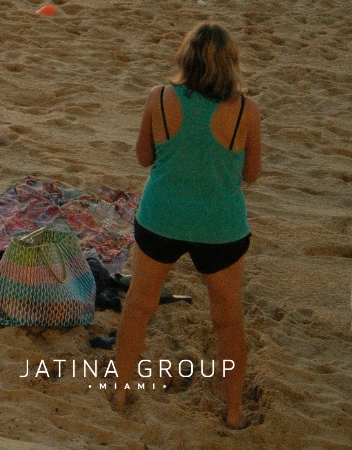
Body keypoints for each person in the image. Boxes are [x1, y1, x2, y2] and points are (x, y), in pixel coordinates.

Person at [112, 23, 262, 430]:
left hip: (161, 218)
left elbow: (144, 158)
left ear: (185, 57)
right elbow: (252, 173)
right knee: (228, 321)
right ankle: (233, 410)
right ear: (231, 63)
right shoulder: (246, 109)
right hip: (221, 227)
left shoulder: (159, 98)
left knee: (139, 308)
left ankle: (121, 390)